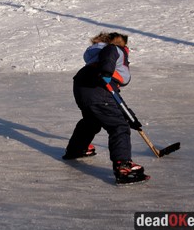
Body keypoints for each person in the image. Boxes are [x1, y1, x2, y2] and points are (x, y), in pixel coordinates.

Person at [62, 31, 147, 184]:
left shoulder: (94, 62)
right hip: (98, 90)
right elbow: (110, 53)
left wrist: (131, 117)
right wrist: (107, 72)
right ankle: (123, 166)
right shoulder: (113, 50)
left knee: (91, 121)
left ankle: (76, 149)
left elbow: (114, 96)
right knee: (118, 126)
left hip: (82, 88)